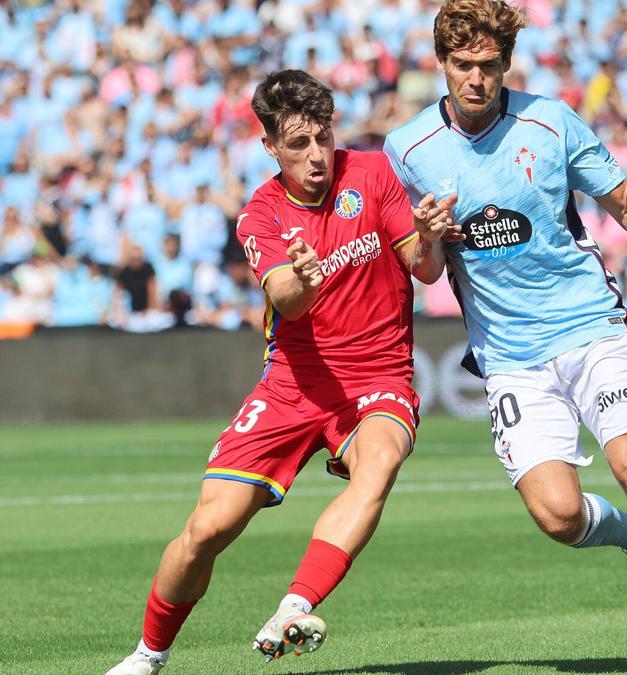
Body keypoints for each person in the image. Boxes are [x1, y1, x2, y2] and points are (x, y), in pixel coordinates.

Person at [383, 1, 627, 672]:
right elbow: (427, 270)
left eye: (488, 66)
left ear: (506, 66)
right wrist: (427, 232)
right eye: (463, 65)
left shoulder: (549, 122)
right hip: (509, 356)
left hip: (587, 325)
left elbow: (623, 198)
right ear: (441, 64)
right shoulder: (406, 148)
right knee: (557, 515)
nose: (475, 80)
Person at [106, 69, 457, 675]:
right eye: (298, 144)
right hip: (293, 383)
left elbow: (424, 270)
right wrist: (303, 275)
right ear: (270, 147)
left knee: (378, 465)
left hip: (379, 374)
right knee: (206, 529)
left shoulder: (373, 173)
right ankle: (147, 656)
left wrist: (429, 236)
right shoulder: (260, 216)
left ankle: (295, 606)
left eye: (323, 137)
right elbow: (286, 298)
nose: (317, 156)